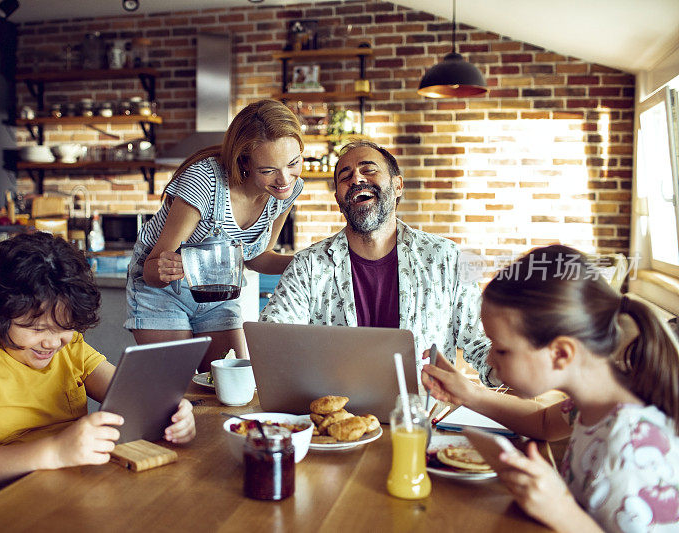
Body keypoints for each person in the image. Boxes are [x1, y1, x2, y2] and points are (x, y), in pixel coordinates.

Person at [0, 232, 196, 515]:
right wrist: (56, 451)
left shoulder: (70, 348)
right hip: (0, 517)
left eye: (64, 327)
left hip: (70, 499)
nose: (52, 343)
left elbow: (135, 397)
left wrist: (172, 412)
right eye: (36, 329)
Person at [422, 244, 679, 533]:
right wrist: (467, 393)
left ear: (560, 354)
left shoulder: (633, 450)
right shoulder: (594, 401)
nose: (490, 359)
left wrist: (562, 512)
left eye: (502, 350)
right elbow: (543, 422)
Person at [259, 140, 493, 383]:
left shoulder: (446, 257)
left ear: (397, 185)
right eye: (345, 176)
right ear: (338, 200)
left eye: (369, 170)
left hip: (422, 415)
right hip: (338, 415)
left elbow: (480, 343)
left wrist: (510, 368)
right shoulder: (308, 265)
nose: (357, 179)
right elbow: (272, 338)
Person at [126, 99, 304, 372]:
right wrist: (167, 267)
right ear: (244, 162)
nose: (284, 179)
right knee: (177, 393)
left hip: (218, 294)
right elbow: (152, 270)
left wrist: (308, 260)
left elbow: (257, 258)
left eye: (293, 163)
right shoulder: (204, 181)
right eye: (268, 170)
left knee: (227, 386)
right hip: (162, 293)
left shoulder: (287, 190)